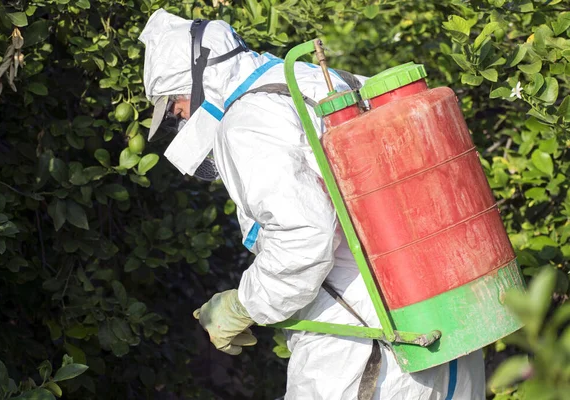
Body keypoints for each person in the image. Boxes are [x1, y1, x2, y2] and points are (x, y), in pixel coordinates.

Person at [139, 9, 486, 400]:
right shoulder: (320, 80)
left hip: (363, 341)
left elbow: (304, 235)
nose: (180, 119)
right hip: (444, 315)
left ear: (199, 79)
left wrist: (246, 304)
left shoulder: (250, 119)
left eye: (174, 107)